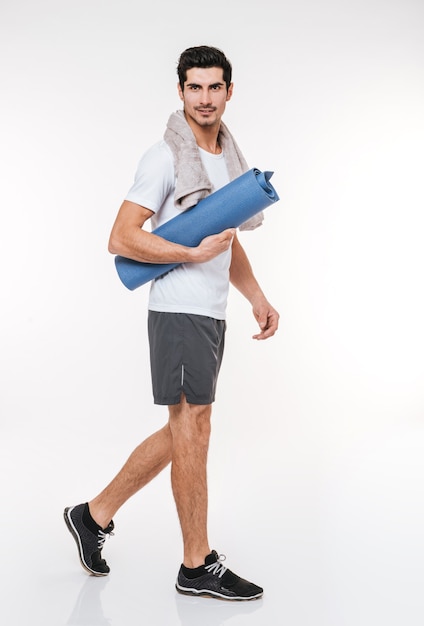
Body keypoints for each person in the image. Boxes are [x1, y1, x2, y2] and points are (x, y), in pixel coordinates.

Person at [64, 45, 279, 601]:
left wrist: (255, 295)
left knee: (183, 431)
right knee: (194, 429)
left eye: (214, 87)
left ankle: (93, 515)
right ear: (180, 92)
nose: (204, 99)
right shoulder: (164, 157)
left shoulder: (228, 161)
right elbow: (121, 237)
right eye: (194, 87)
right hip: (177, 308)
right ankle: (195, 564)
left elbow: (223, 244)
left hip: (212, 311)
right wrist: (189, 255)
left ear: (229, 92)